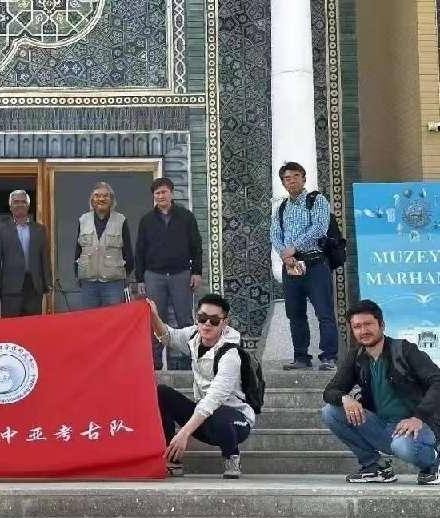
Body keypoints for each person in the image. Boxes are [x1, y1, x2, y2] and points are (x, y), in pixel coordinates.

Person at [321, 300, 440, 485]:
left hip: (418, 426)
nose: (363, 331)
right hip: (383, 426)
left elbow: (437, 381)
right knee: (330, 411)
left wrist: (418, 417)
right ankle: (374, 467)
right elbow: (330, 391)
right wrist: (345, 398)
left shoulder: (404, 350)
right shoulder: (356, 356)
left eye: (368, 324)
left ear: (382, 325)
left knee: (401, 445)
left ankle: (433, 464)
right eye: (357, 326)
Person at [149, 293, 254, 479]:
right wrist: (153, 315)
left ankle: (232, 457)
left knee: (219, 413)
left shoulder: (230, 355)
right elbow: (167, 336)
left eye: (214, 320)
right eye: (202, 318)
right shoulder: (194, 336)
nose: (207, 324)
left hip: (234, 422)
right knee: (162, 393)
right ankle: (172, 459)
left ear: (225, 322)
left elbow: (213, 400)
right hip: (204, 418)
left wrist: (184, 433)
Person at [270, 161, 338, 371]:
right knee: (295, 314)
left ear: (304, 178)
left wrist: (294, 247)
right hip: (291, 266)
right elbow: (274, 234)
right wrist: (285, 254)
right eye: (287, 178)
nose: (291, 181)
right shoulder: (281, 207)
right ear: (283, 183)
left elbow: (319, 228)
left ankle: (329, 357)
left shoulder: (317, 200)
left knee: (324, 312)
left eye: (295, 176)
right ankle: (301, 357)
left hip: (315, 263)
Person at [135, 177, 202, 370]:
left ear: (172, 193)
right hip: (154, 276)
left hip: (181, 274)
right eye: (157, 193)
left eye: (164, 192)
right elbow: (140, 250)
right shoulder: (146, 220)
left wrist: (197, 272)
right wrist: (140, 278)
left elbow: (196, 246)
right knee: (156, 320)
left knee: (185, 320)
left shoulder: (186, 217)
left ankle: (190, 363)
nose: (161, 196)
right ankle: (154, 365)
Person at [0, 190, 52, 318]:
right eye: (16, 202)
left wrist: (48, 282)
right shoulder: (2, 230)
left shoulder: (40, 230)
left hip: (34, 285)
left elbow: (45, 258)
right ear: (10, 206)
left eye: (23, 202)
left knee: (33, 325)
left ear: (28, 206)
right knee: (11, 325)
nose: (19, 205)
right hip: (10, 287)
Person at [74, 182, 134, 309]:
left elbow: (128, 252)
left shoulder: (121, 220)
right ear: (92, 199)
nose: (101, 199)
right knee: (90, 318)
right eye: (97, 195)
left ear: (111, 199)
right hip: (88, 282)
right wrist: (77, 273)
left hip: (114, 283)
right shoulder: (83, 220)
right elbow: (78, 250)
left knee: (113, 318)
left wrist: (124, 275)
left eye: (105, 196)